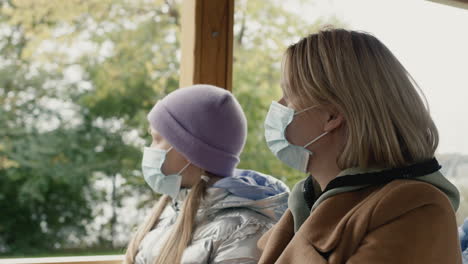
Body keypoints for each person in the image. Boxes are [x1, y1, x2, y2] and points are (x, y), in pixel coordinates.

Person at [258, 28, 462, 263]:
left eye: (288, 93)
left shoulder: (416, 209)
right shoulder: (306, 200)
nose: (279, 105)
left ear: (332, 115)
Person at [124, 84, 289, 264]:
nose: (149, 149)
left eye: (156, 139)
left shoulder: (247, 231)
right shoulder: (169, 211)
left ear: (189, 151)